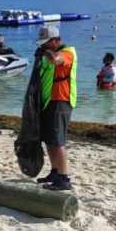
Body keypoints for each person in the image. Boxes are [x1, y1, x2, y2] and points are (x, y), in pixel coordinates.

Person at [35, 25, 77, 191]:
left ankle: (64, 178)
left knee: (58, 141)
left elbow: (55, 60)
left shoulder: (68, 53)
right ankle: (55, 172)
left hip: (61, 101)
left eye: (46, 43)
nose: (44, 46)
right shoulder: (48, 53)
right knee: (50, 140)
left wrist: (44, 52)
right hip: (49, 101)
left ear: (55, 41)